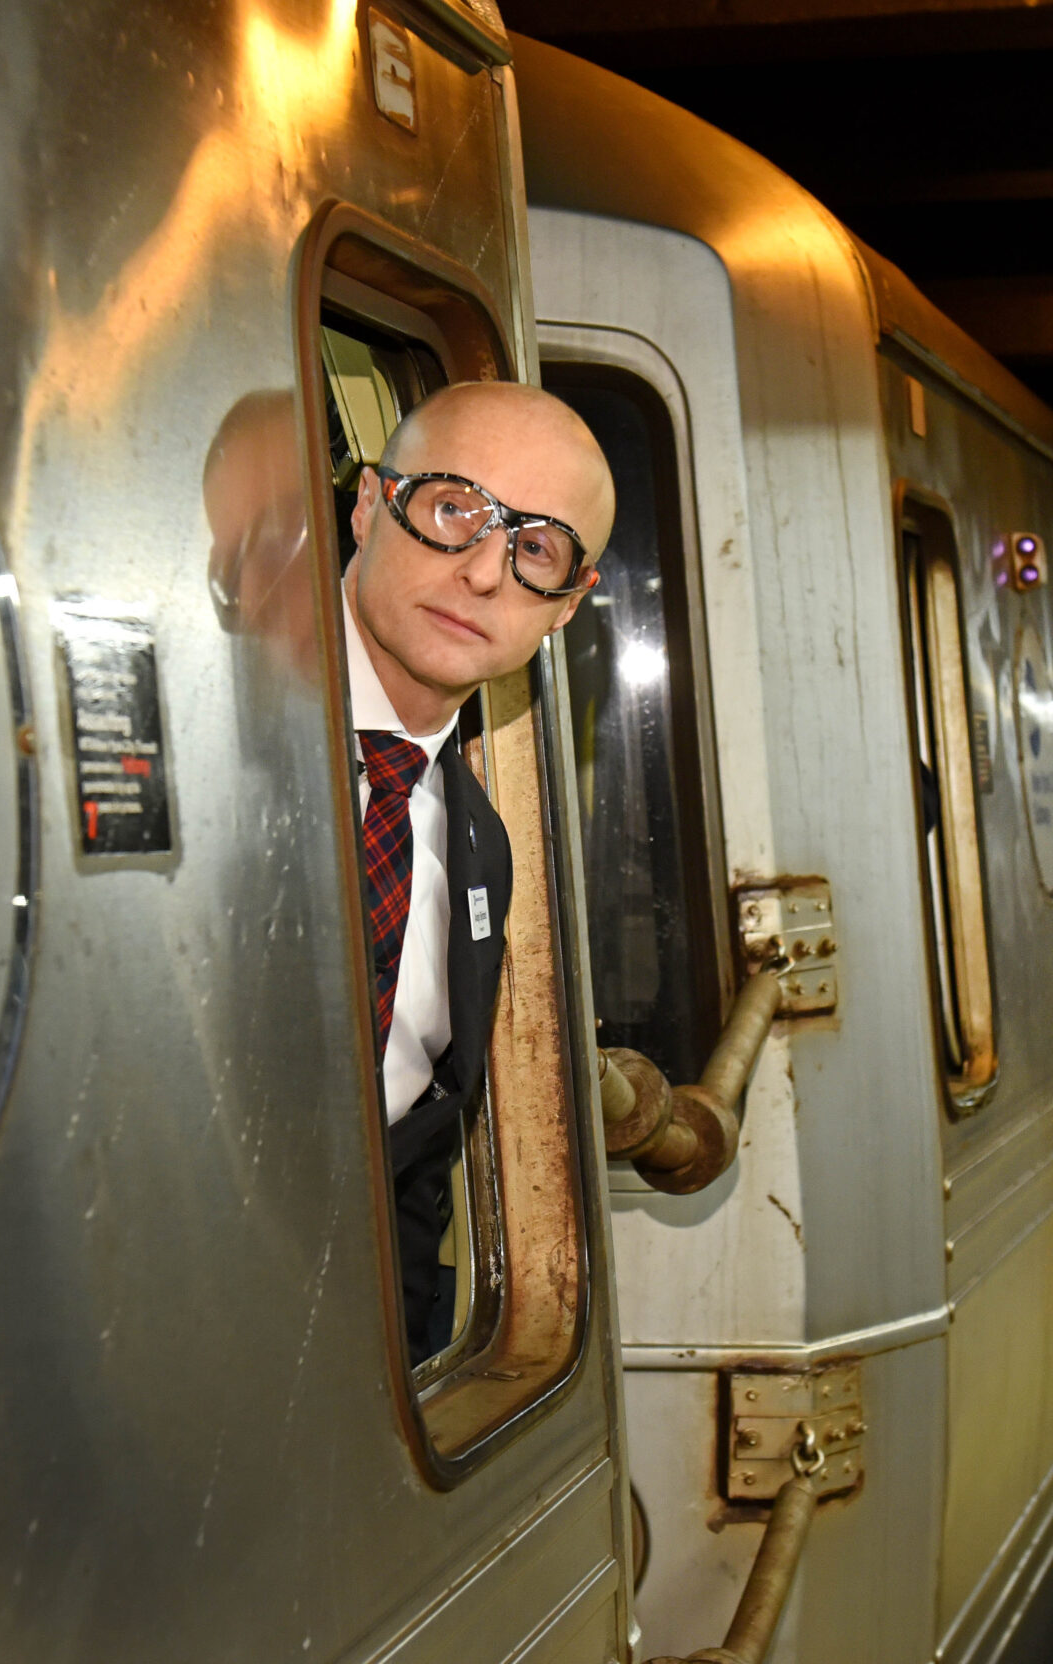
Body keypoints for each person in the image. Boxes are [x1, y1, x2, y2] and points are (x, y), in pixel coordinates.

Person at [339, 380, 613, 1358]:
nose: (486, 573)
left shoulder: (479, 850)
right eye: (456, 508)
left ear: (568, 605)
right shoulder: (209, 739)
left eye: (535, 547)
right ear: (371, 504)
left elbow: (405, 1180)